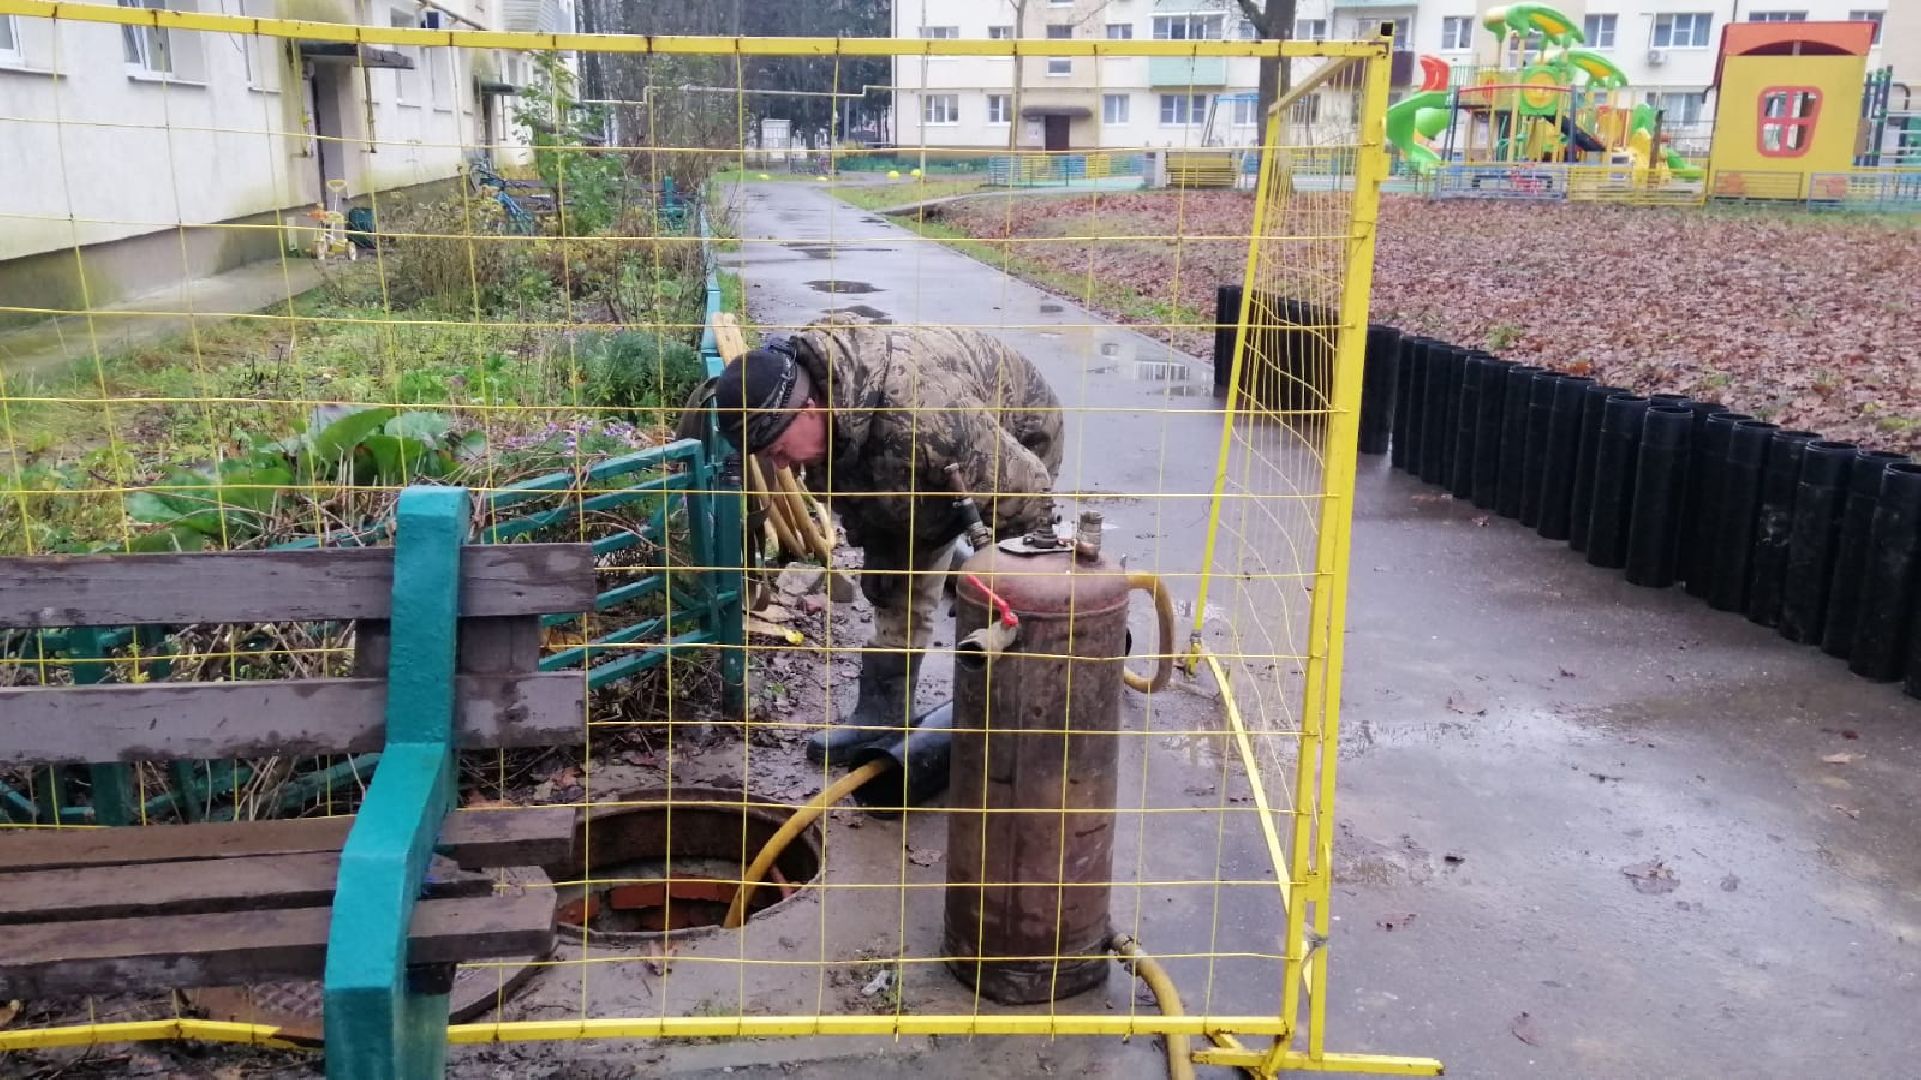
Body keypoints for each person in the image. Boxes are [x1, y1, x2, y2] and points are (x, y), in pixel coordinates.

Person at [713, 319, 1065, 764]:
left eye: (778, 449)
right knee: (896, 576)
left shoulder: (924, 418)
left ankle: (1033, 703)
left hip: (1018, 432)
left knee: (1011, 588)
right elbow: (863, 498)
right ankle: (884, 712)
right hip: (917, 452)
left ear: (809, 409)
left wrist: (1016, 591)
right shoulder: (826, 411)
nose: (779, 464)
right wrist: (880, 555)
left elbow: (1026, 494)